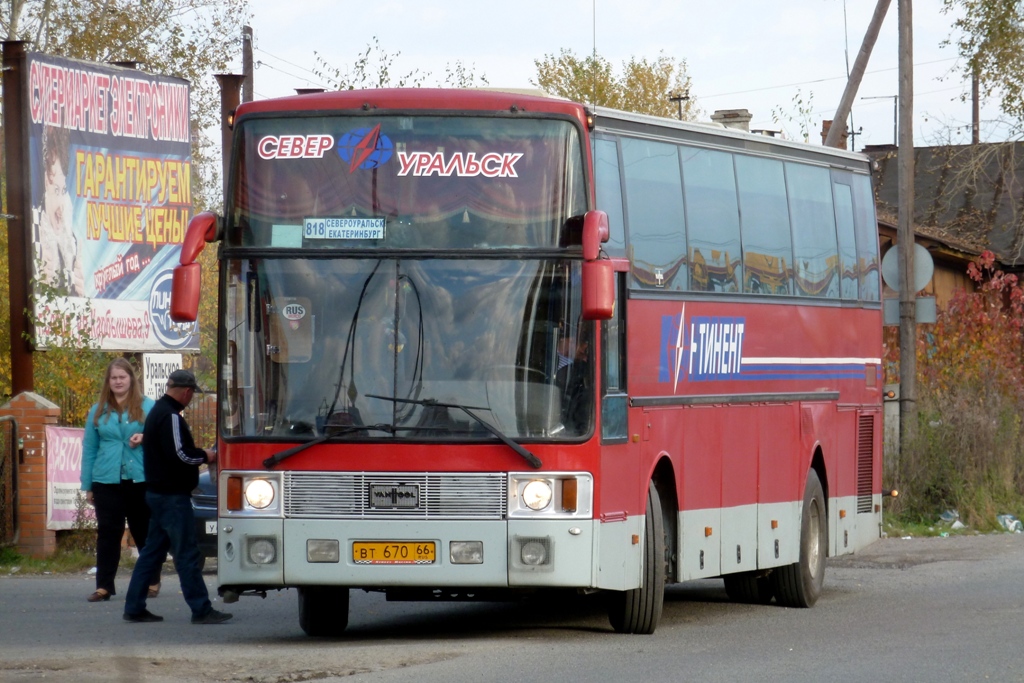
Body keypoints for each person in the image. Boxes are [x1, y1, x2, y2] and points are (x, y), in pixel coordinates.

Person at [123, 369, 232, 624]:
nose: (191, 397)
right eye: (192, 393)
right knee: (186, 554)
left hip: (158, 495)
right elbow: (180, 455)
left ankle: (134, 606)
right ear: (186, 392)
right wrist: (207, 455)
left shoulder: (157, 413)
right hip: (172, 497)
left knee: (152, 552)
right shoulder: (171, 416)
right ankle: (201, 609)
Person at [80, 358, 163, 602]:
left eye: (122, 377)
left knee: (143, 532)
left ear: (131, 379)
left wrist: (145, 437)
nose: (117, 381)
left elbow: (162, 437)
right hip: (106, 479)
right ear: (108, 381)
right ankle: (104, 586)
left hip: (139, 478)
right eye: (113, 378)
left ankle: (152, 578)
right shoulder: (97, 411)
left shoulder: (148, 406)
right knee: (108, 532)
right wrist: (87, 485)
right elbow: (89, 449)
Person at [34, 124, 85, 296]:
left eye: (63, 191)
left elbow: (81, 300)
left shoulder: (71, 242)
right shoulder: (33, 230)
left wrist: (80, 291)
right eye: (56, 190)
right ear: (45, 186)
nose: (60, 208)